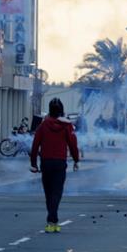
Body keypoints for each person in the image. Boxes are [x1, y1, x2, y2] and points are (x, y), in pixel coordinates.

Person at [30, 98, 80, 233]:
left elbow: (35, 145)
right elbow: (73, 144)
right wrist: (76, 160)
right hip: (60, 163)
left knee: (48, 193)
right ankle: (53, 220)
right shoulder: (67, 126)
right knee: (56, 192)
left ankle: (51, 221)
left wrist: (33, 164)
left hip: (46, 163)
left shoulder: (43, 125)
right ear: (61, 111)